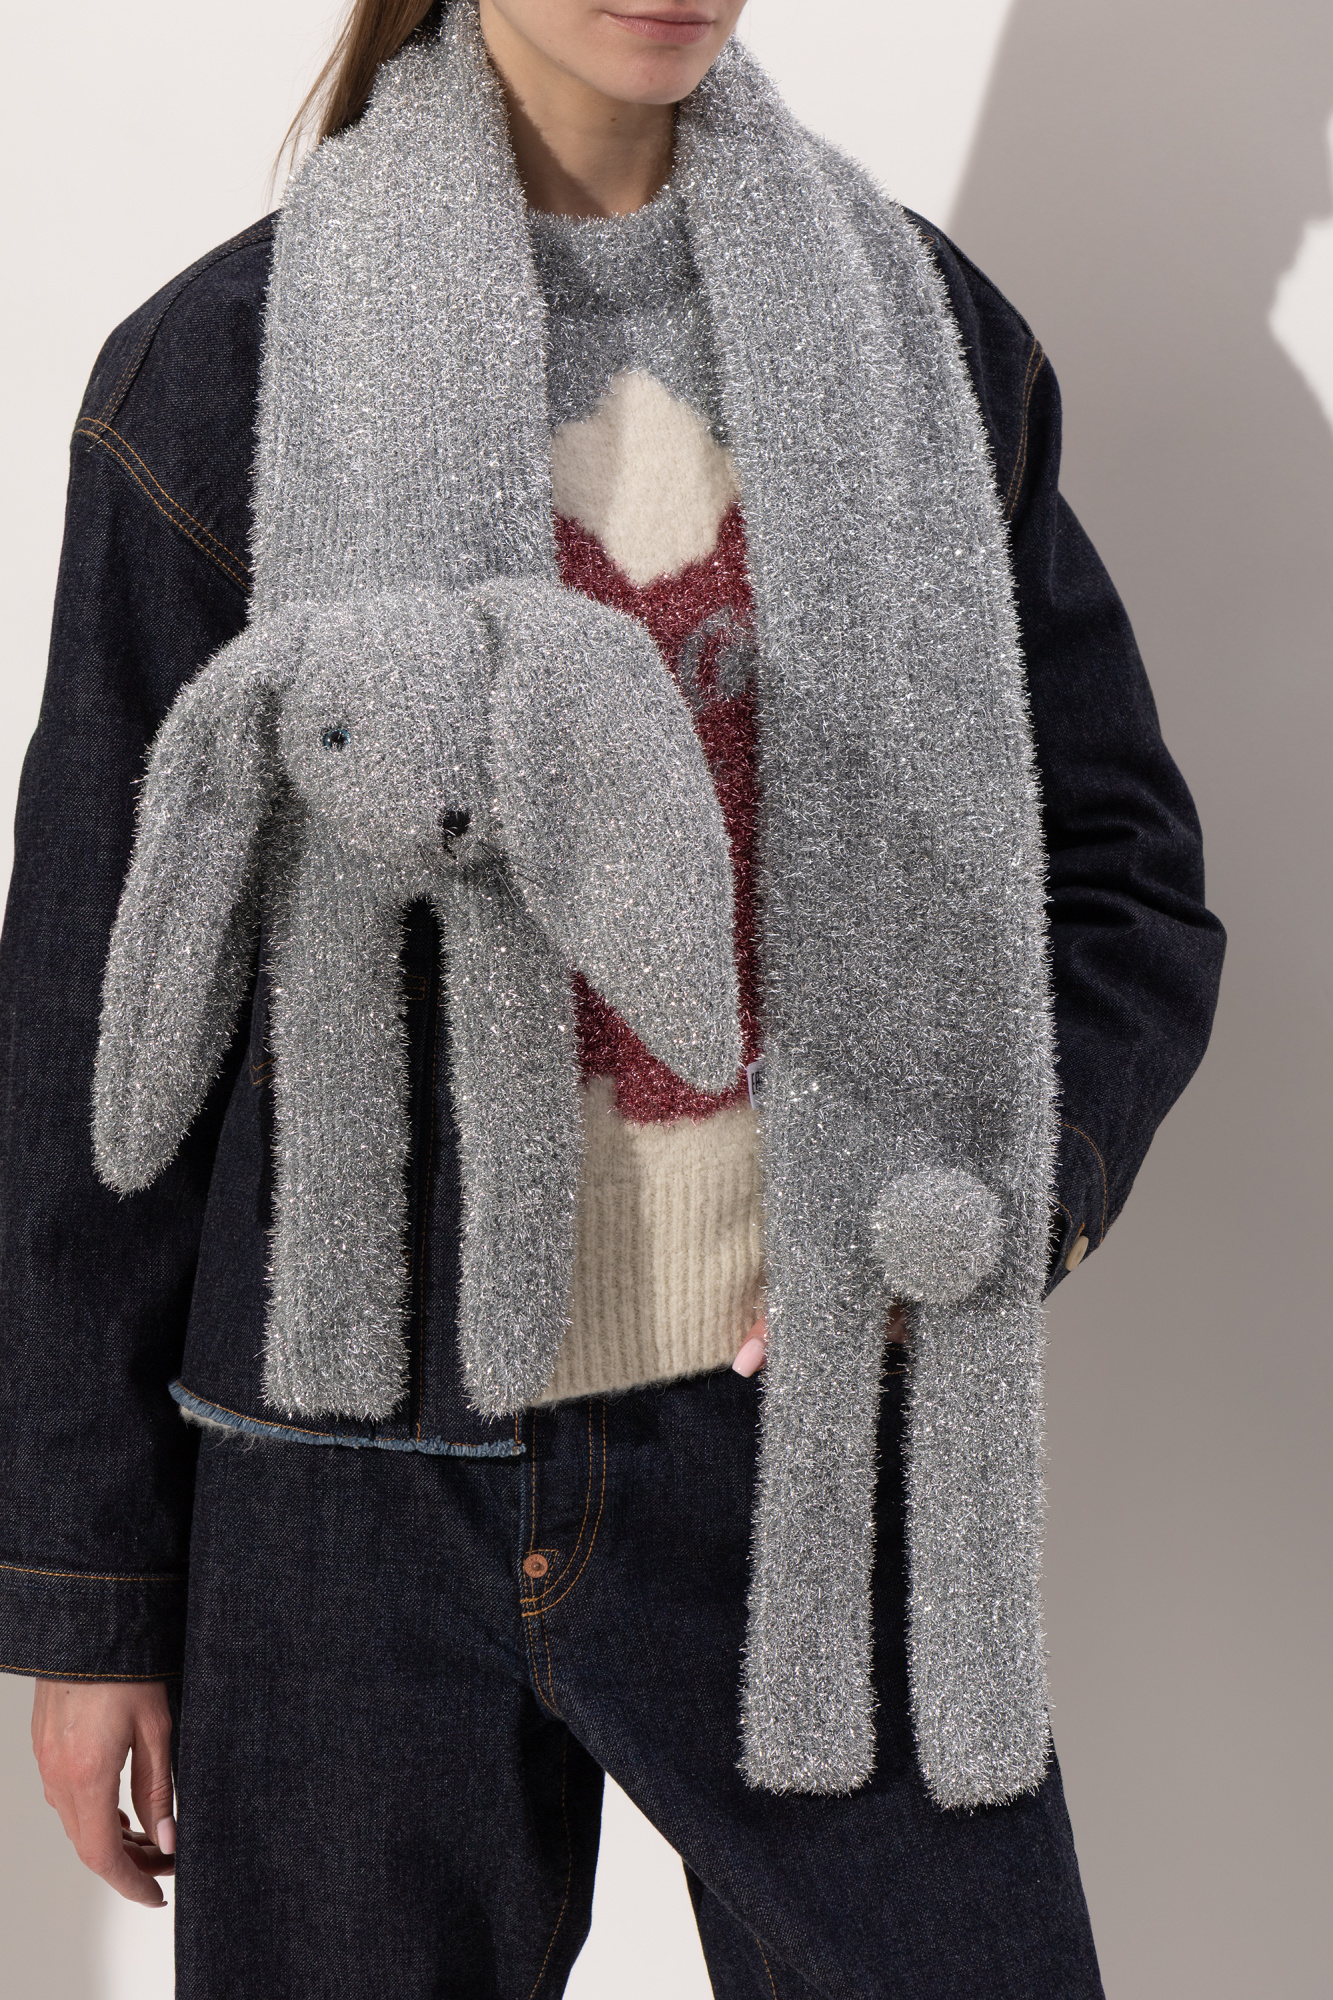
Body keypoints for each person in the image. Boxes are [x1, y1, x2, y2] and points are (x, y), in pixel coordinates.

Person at [2, 1, 1224, 1993]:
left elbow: (1120, 882)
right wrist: (89, 1593)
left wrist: (1002, 1202)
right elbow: (94, 1017)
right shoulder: (222, 366)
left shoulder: (921, 341)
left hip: (804, 1449)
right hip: (344, 1491)